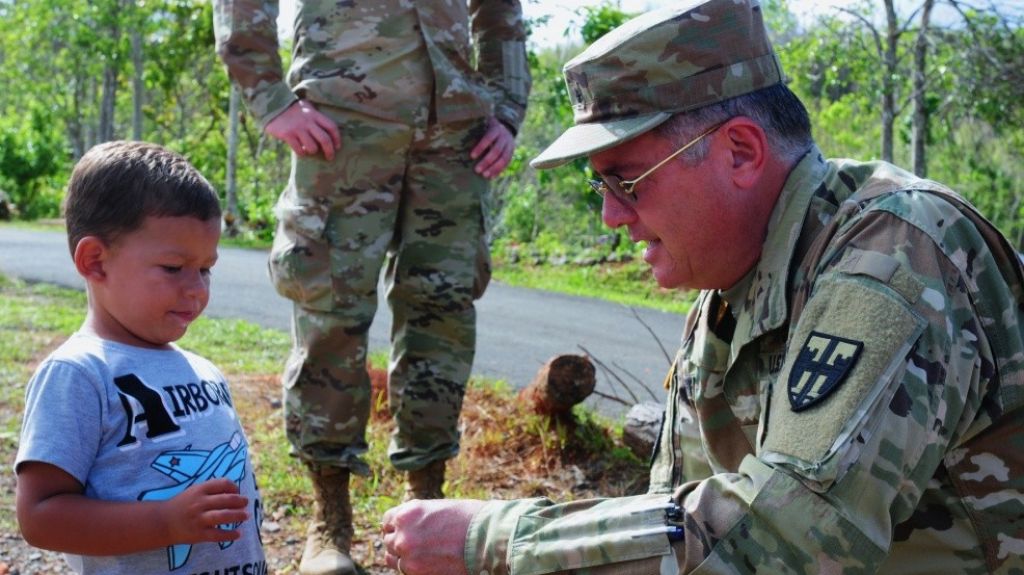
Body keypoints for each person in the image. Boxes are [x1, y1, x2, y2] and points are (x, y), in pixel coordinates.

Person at [380, 2, 1024, 574]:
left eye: (627, 181)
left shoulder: (896, 251)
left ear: (740, 151)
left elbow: (788, 538)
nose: (610, 216)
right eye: (600, 186)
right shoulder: (728, 288)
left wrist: (496, 543)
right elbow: (674, 516)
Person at [213, 1, 531, 574]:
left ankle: (428, 507)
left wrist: (506, 108)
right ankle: (329, 522)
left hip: (455, 129)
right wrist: (269, 97)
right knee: (330, 314)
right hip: (341, 118)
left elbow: (499, 8)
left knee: (443, 312)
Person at [14, 141, 266, 574]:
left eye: (206, 269)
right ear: (95, 261)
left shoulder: (204, 372)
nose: (197, 289)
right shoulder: (78, 373)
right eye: (173, 268)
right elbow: (40, 516)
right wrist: (164, 522)